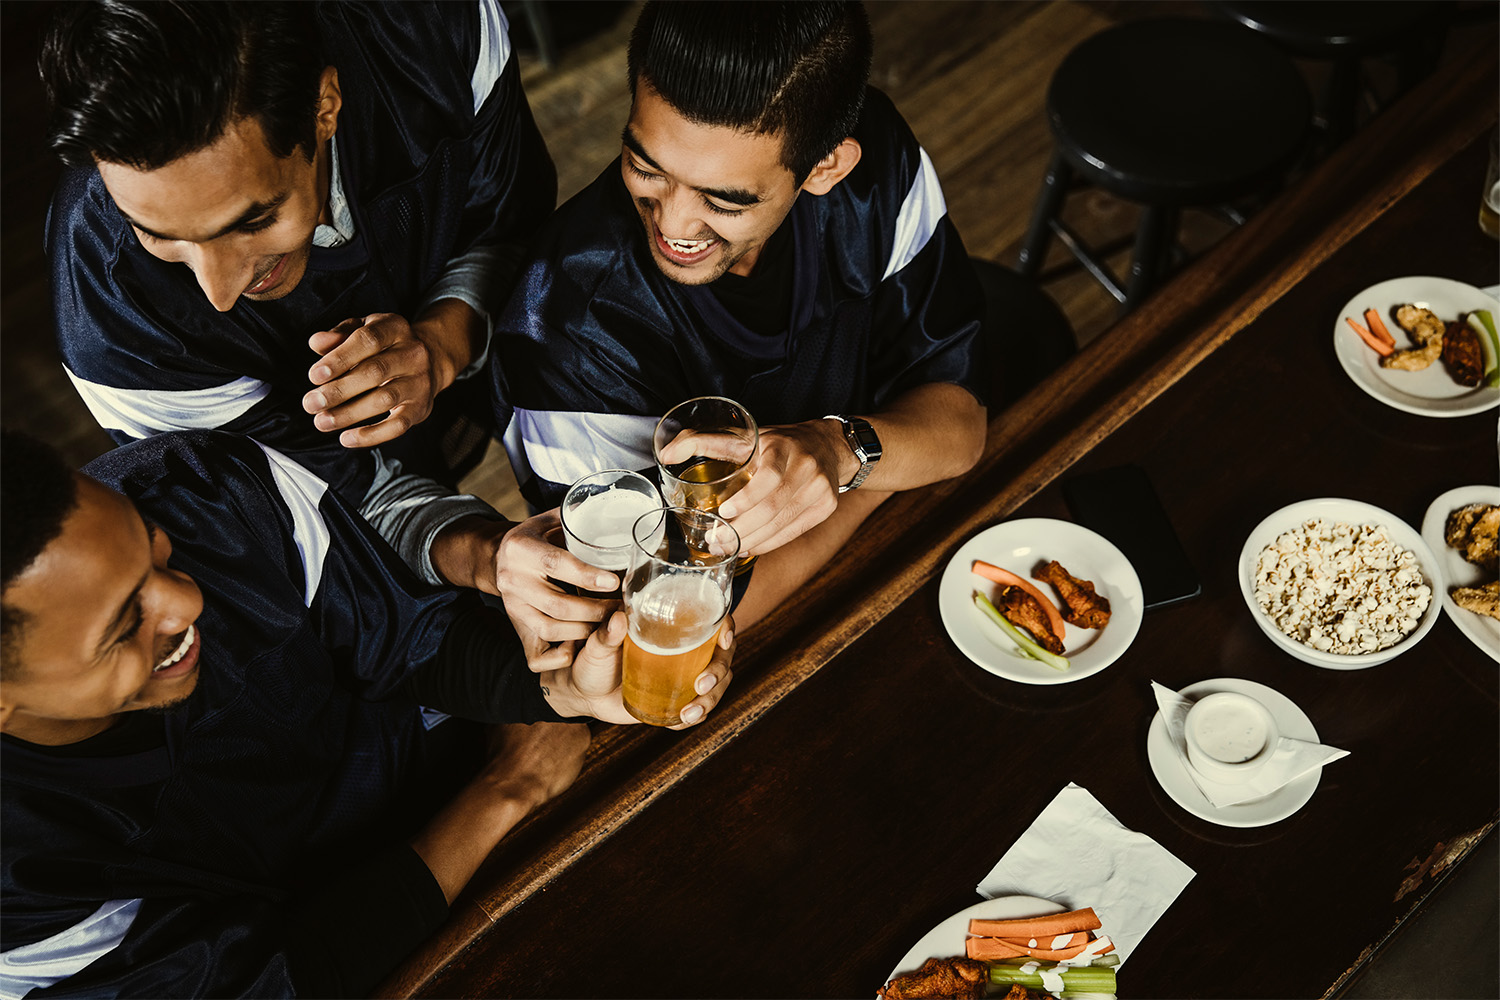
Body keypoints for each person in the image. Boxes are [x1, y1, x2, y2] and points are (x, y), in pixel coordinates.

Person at [0, 428, 735, 998]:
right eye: (124, 628)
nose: (187, 601)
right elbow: (275, 982)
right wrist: (504, 792)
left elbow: (407, 635)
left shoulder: (205, 488)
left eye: (158, 553)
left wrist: (565, 692)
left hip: (441, 756)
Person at [39, 1, 603, 650]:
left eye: (253, 220)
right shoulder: (107, 313)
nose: (219, 293)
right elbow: (300, 514)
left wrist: (444, 340)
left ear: (324, 105)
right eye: (161, 237)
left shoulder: (438, 25)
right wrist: (488, 556)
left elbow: (518, 221)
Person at [491, 0, 988, 627]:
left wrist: (835, 452)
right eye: (645, 166)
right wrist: (871, 470)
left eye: (724, 202)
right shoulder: (564, 327)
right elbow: (663, 613)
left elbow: (962, 426)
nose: (673, 223)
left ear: (826, 167)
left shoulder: (879, 167)